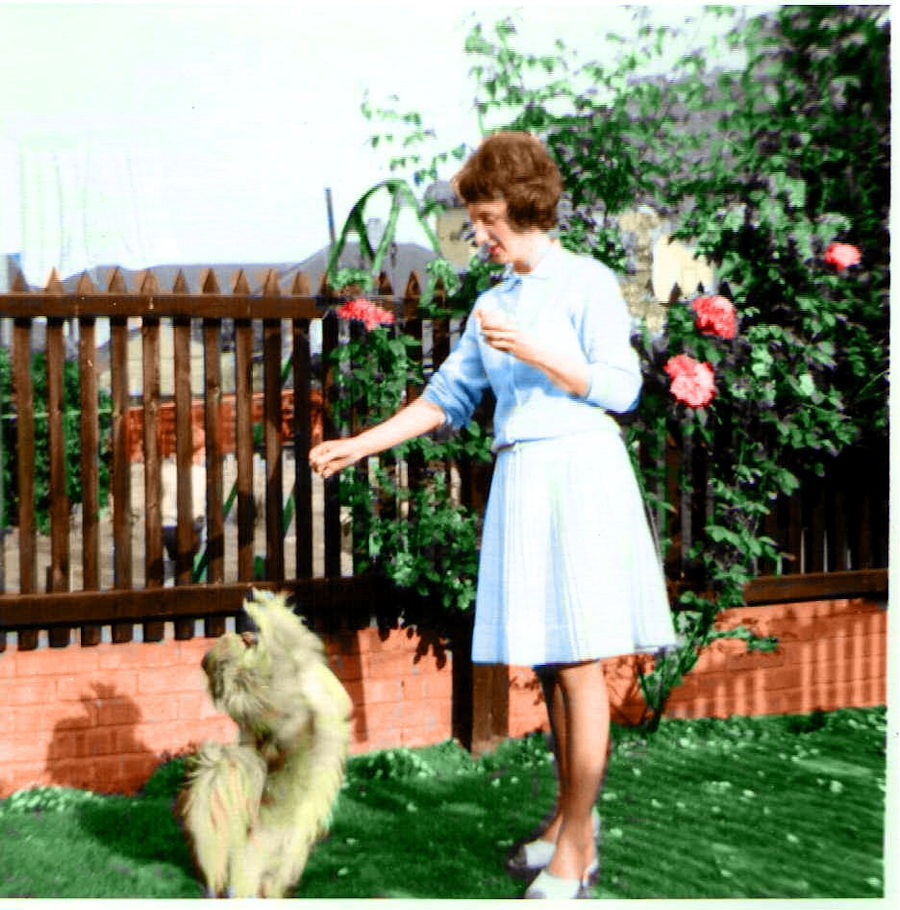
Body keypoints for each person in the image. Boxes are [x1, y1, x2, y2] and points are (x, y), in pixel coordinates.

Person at [309, 131, 677, 899]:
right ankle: (565, 819)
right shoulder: (491, 303)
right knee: (547, 662)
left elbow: (624, 388)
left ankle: (577, 846)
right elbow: (446, 400)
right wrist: (358, 445)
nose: (477, 232)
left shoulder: (587, 283)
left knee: (579, 666)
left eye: (485, 216)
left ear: (524, 205)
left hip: (579, 473)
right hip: (523, 479)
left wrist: (543, 353)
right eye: (473, 218)